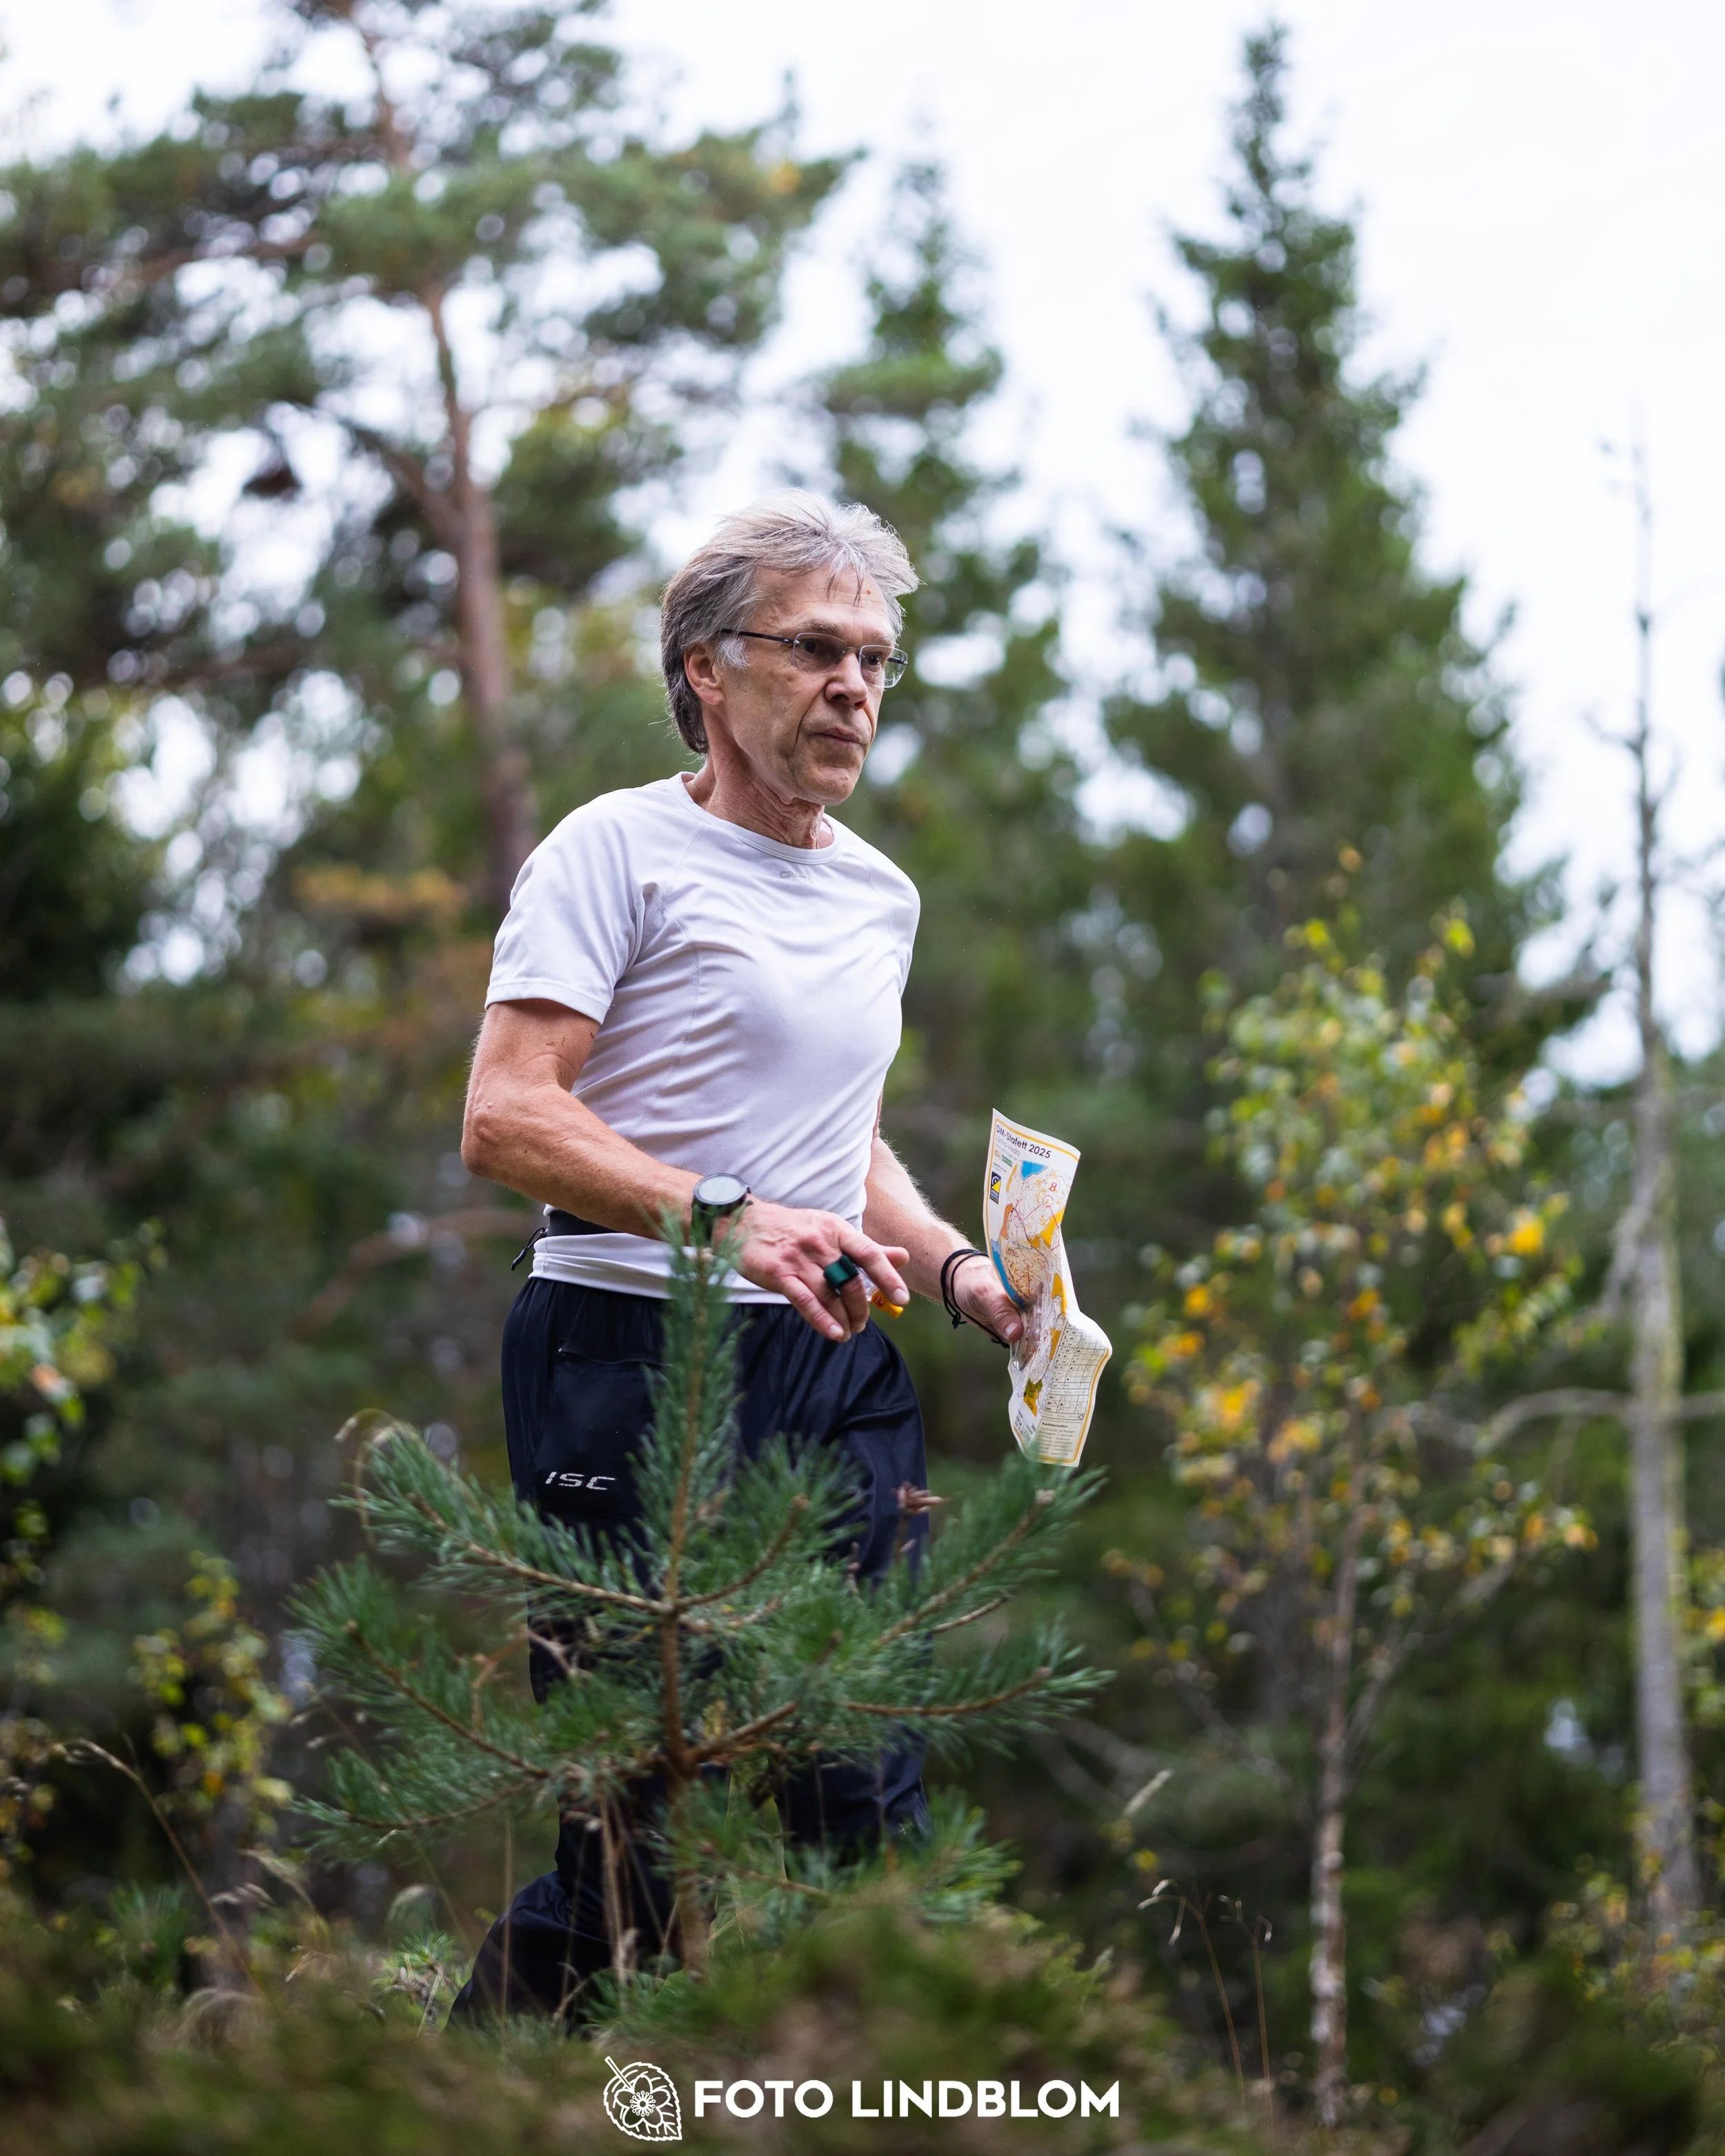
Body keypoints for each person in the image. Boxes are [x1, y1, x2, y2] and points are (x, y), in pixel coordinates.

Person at [448, 491, 1023, 2019]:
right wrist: (730, 1217)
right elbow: (504, 1116)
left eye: (878, 661)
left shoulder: (877, 891)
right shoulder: (613, 849)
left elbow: (845, 1137)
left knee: (861, 1787)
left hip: (827, 1365)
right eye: (817, 650)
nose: (854, 688)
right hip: (622, 1348)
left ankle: (870, 2106)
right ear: (708, 666)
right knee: (625, 1839)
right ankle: (462, 2103)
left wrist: (964, 1270)